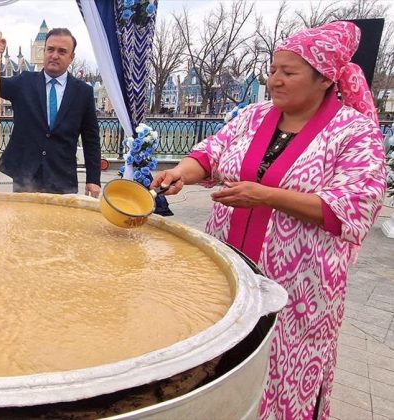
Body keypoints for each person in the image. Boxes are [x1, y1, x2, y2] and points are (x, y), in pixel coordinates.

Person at [151, 21, 387, 419]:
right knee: (226, 363)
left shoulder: (354, 132)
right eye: (273, 69)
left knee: (284, 370)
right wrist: (181, 172)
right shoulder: (253, 116)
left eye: (288, 72)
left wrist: (266, 197)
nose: (274, 80)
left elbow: (357, 203)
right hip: (231, 270)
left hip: (300, 286)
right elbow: (209, 153)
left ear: (324, 79)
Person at [0, 28, 101, 197]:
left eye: (62, 51)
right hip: (26, 177)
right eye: (50, 49)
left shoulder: (83, 92)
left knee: (60, 223)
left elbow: (91, 139)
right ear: (44, 51)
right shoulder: (24, 82)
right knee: (24, 222)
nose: (54, 55)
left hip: (63, 178)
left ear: (71, 57)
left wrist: (93, 179)